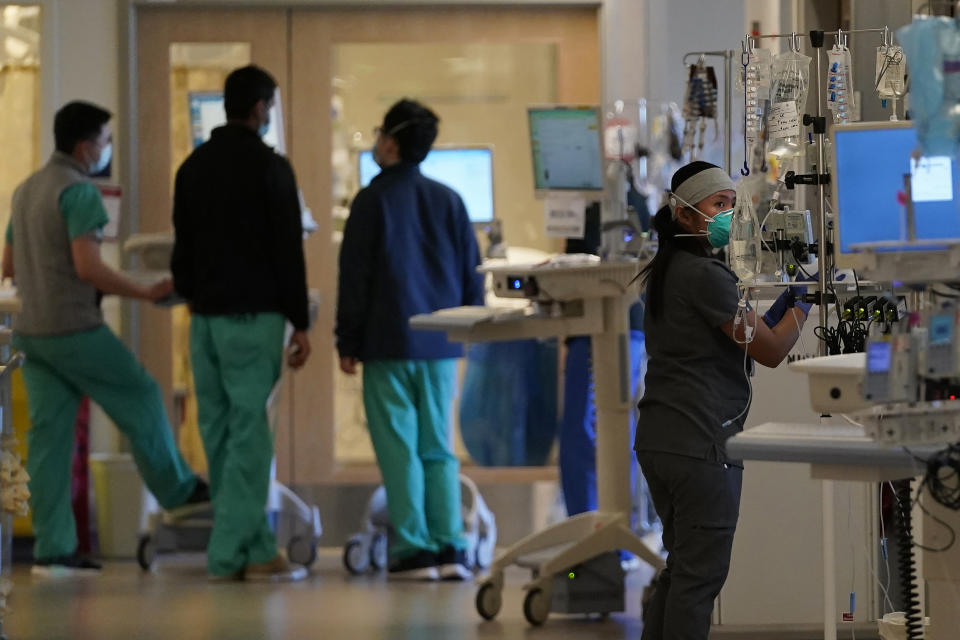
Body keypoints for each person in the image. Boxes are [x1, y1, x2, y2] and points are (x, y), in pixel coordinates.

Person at [2, 101, 207, 575]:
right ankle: (178, 491)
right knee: (140, 394)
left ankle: (55, 550)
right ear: (85, 145)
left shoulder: (26, 191)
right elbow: (87, 267)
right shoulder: (79, 193)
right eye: (105, 140)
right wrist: (147, 290)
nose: (107, 148)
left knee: (50, 440)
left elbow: (8, 265)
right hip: (75, 329)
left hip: (31, 333)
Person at [634, 161, 812, 639]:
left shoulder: (669, 270)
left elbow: (747, 331)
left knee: (681, 570)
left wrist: (788, 301)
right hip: (700, 445)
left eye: (734, 205)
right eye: (719, 205)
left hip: (661, 439)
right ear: (687, 214)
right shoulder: (705, 275)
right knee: (700, 578)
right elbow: (771, 350)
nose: (729, 216)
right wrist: (809, 295)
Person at [171, 65, 311, 582]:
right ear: (259, 108)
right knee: (251, 439)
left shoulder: (192, 168)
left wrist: (193, 295)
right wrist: (299, 322)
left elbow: (182, 250)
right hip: (253, 322)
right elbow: (286, 252)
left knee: (222, 436)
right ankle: (226, 553)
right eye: (269, 106)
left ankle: (257, 550)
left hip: (204, 321)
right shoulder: (271, 169)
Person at [336, 99, 484, 581]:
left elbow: (354, 280)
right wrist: (466, 331)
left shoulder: (371, 200)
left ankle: (414, 550)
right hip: (440, 347)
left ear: (391, 142)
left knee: (400, 449)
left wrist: (347, 341)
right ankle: (451, 547)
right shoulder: (450, 201)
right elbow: (471, 278)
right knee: (438, 447)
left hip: (388, 343)